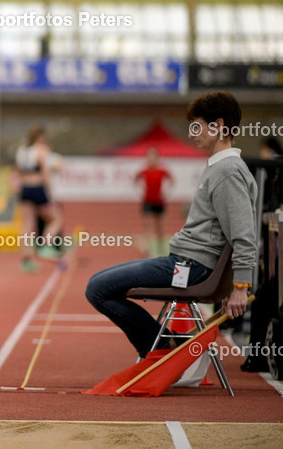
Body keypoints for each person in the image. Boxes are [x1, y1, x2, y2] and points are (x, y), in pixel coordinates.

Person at [85, 91, 258, 359]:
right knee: (98, 284)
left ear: (219, 126)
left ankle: (161, 350)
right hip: (187, 263)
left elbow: (244, 234)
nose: (191, 133)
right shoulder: (220, 167)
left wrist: (240, 288)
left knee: (98, 289)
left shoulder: (227, 171)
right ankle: (163, 347)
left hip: (191, 268)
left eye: (197, 126)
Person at [14, 125, 62, 271]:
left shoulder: (21, 150)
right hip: (38, 188)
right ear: (41, 136)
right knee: (56, 219)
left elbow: (18, 171)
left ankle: (26, 260)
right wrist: (50, 193)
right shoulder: (41, 150)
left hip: (25, 189)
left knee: (27, 226)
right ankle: (46, 246)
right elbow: (46, 173)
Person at [135, 147, 173, 256]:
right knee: (147, 225)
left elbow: (171, 180)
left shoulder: (162, 171)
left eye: (153, 157)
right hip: (147, 200)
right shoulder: (144, 171)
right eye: (149, 156)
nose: (151, 159)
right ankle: (147, 246)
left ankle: (161, 247)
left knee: (160, 226)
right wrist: (140, 192)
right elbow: (135, 180)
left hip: (159, 201)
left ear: (157, 158)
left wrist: (166, 193)